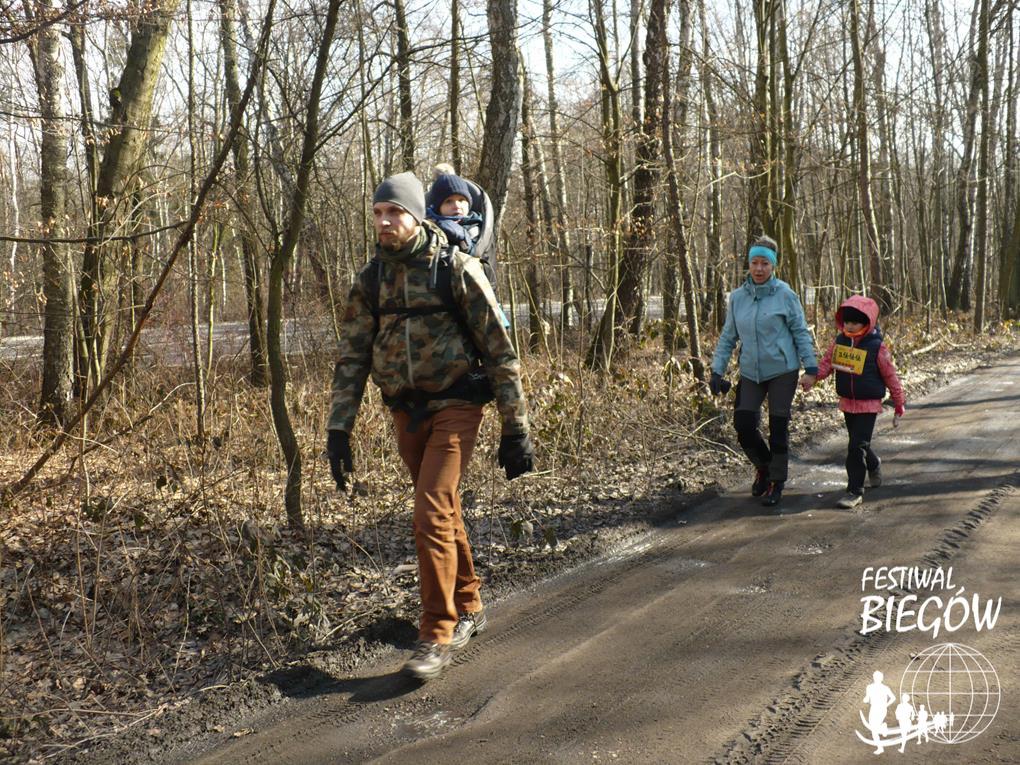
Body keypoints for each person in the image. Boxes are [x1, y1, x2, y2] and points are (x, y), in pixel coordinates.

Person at [325, 171, 534, 681]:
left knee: (431, 509)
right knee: (442, 510)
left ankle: (437, 632)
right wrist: (338, 429)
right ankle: (470, 605)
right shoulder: (370, 280)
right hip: (406, 410)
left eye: (394, 212)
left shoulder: (455, 268)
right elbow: (352, 357)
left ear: (416, 215)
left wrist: (516, 428)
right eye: (378, 212)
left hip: (457, 403)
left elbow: (501, 351)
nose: (384, 221)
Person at [709, 235, 818, 507]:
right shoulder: (738, 298)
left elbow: (800, 332)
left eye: (765, 264)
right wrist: (717, 371)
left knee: (778, 426)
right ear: (748, 264)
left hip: (783, 369)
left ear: (773, 266)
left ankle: (776, 483)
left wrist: (811, 368)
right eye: (754, 263)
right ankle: (764, 468)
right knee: (743, 425)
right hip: (750, 371)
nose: (759, 269)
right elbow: (728, 337)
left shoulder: (785, 295)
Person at [800, 295, 905, 509]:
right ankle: (873, 464)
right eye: (847, 321)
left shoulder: (877, 347)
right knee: (860, 444)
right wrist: (812, 377)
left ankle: (854, 491)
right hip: (848, 402)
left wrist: (898, 403)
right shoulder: (840, 342)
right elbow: (827, 364)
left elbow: (890, 376)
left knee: (856, 447)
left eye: (855, 322)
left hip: (869, 404)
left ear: (866, 323)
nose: (849, 326)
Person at [426, 169, 484, 256]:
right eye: (449, 201)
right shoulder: (429, 224)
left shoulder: (473, 226)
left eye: (461, 200)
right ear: (438, 208)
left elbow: (476, 254)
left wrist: (463, 239)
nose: (457, 205)